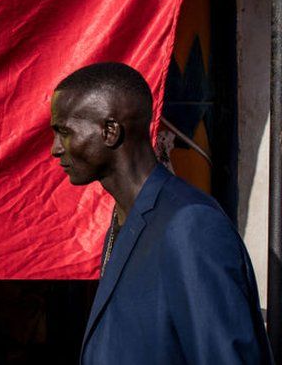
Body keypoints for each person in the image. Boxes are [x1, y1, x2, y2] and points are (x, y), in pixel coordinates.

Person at [50, 62, 271, 363]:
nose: (55, 148)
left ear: (110, 131)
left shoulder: (190, 225)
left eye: (64, 132)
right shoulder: (126, 220)